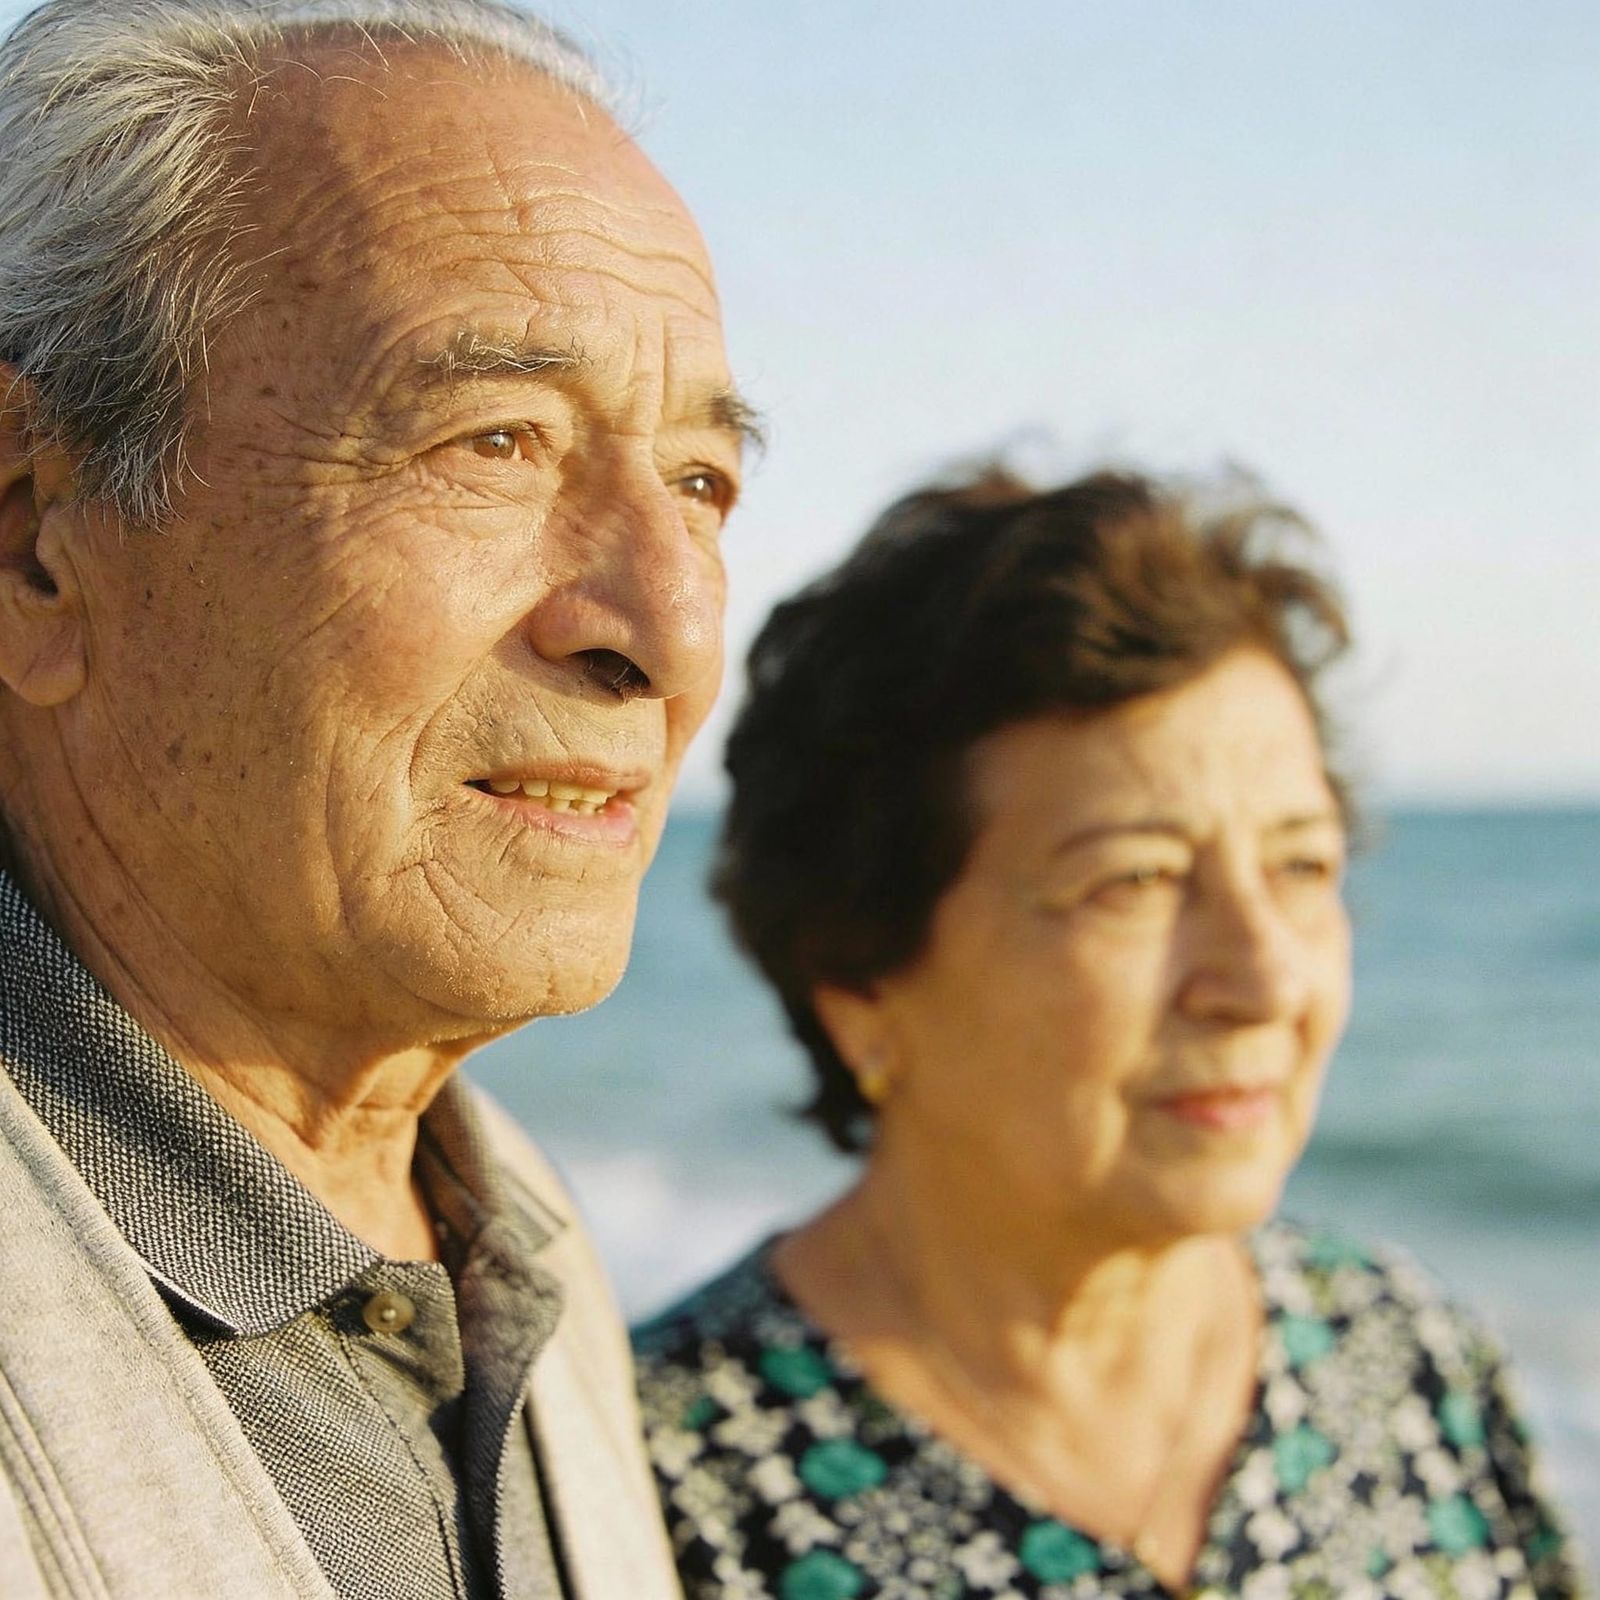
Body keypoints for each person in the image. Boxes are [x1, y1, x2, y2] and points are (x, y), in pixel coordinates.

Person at [0, 0, 758, 1592]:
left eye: (701, 482)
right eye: (495, 443)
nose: (672, 632)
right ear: (30, 537)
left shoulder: (518, 1247)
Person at [633, 469, 1590, 1600]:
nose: (1265, 976)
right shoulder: (664, 1497)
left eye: (1301, 865)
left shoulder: (1402, 1356)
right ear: (859, 981)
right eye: (1131, 882)